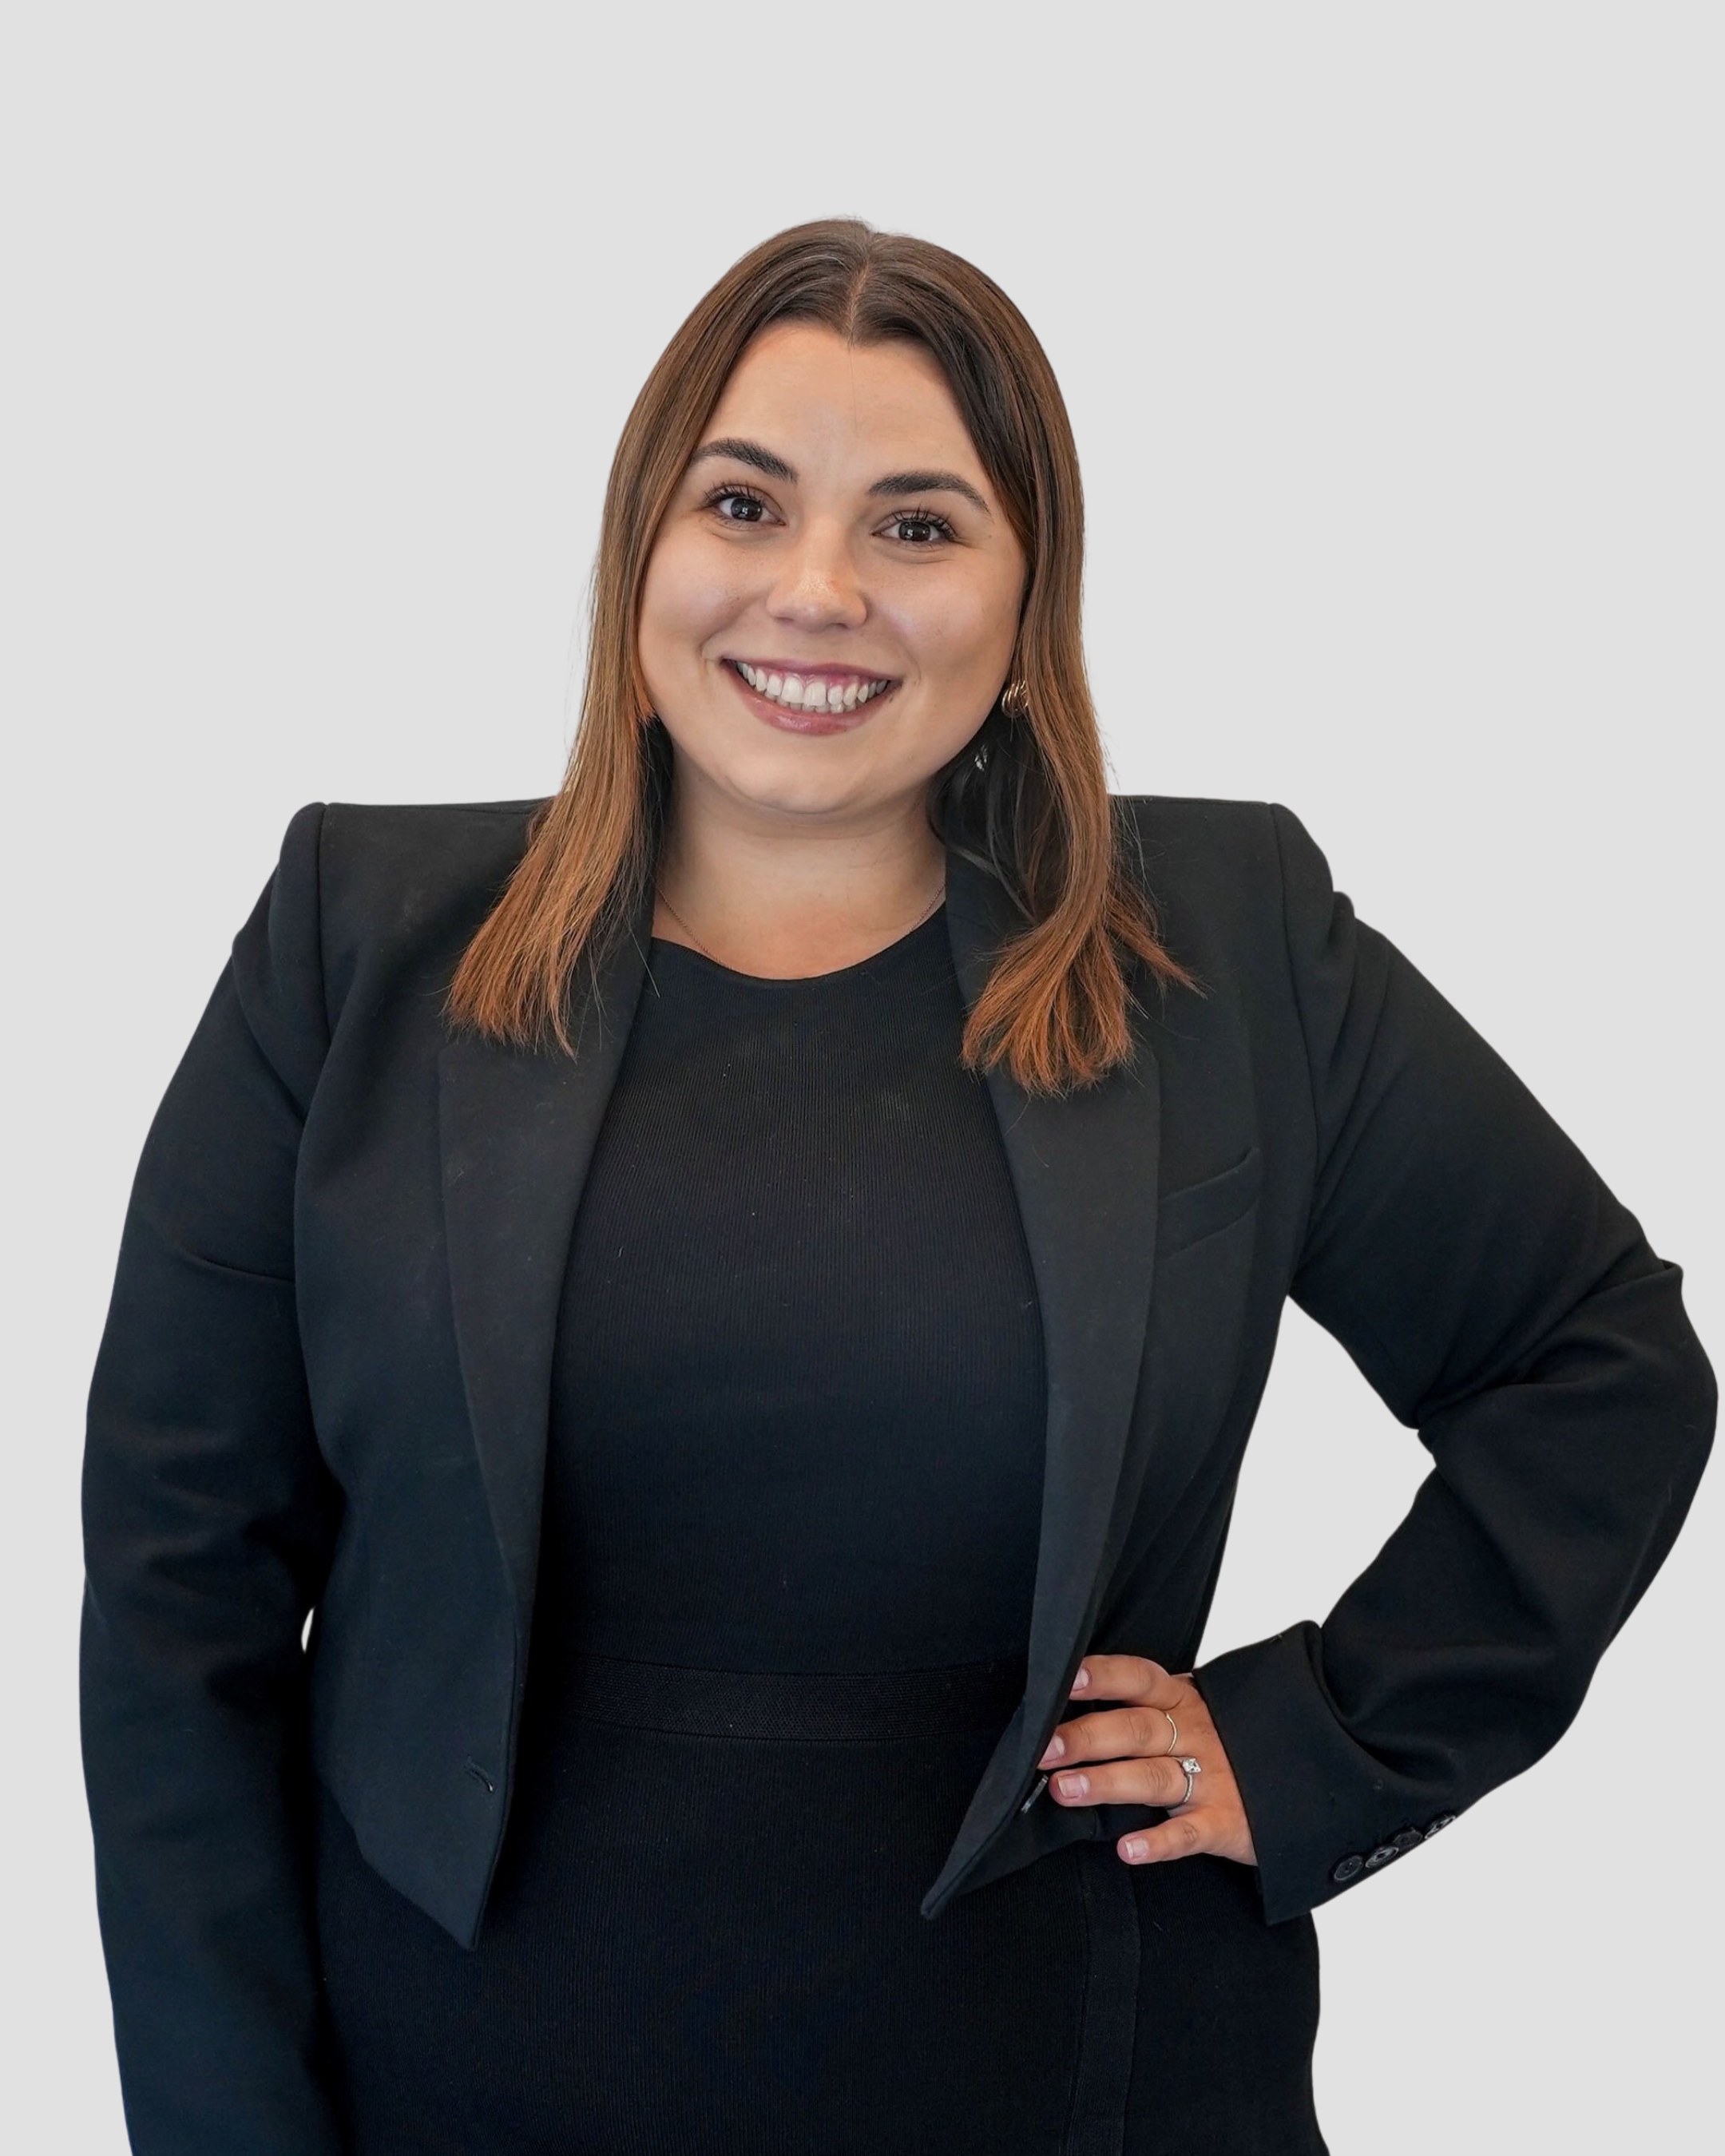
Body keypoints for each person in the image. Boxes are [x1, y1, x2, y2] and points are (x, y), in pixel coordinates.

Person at [80, 217, 1715, 2156]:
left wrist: (1325, 1740)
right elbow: (180, 1596)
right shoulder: (354, 941)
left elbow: (1593, 1364)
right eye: (745, 503)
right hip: (452, 2089)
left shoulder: (1231, 948)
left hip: (1085, 2083)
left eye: (919, 526)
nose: (819, 590)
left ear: (1028, 605)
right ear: (640, 551)